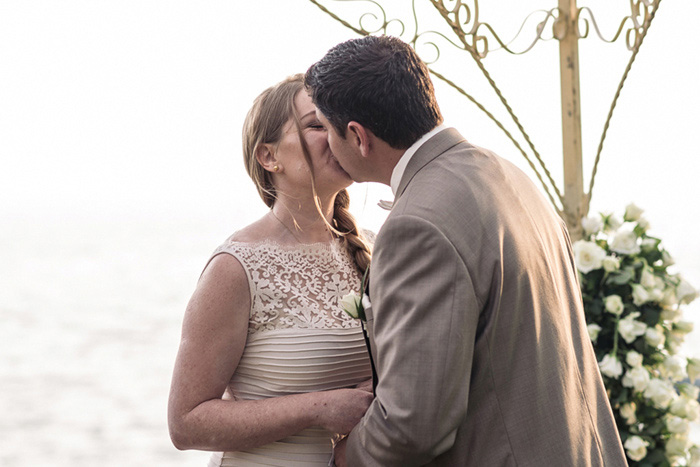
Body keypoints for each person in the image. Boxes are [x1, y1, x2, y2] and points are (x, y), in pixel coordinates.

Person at [305, 36, 628, 466]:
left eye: (326, 129)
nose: (326, 143)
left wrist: (348, 456)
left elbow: (412, 425)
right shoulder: (508, 174)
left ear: (358, 137)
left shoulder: (416, 225)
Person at [167, 74, 374, 466]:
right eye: (316, 125)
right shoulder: (235, 268)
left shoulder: (378, 250)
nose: (335, 134)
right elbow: (186, 423)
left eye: (337, 121)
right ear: (269, 156)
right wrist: (319, 408)